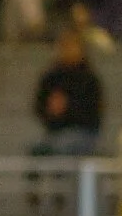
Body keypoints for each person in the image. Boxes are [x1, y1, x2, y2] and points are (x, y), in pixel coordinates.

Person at [30, 26, 103, 156]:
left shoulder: (89, 79)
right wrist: (51, 111)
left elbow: (92, 113)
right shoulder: (51, 77)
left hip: (84, 132)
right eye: (64, 46)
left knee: (63, 145)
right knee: (37, 149)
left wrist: (67, 108)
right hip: (56, 131)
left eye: (72, 46)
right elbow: (39, 105)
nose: (67, 50)